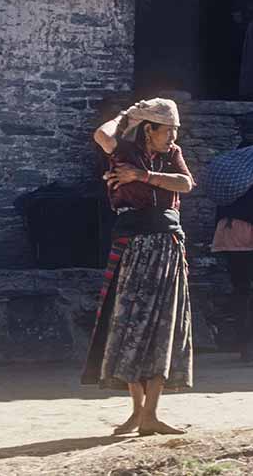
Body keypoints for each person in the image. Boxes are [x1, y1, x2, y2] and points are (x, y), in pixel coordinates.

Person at [81, 98, 195, 436]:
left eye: (175, 130)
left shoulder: (170, 157)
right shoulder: (126, 152)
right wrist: (126, 116)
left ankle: (151, 413)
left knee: (163, 325)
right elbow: (101, 135)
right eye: (168, 130)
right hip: (135, 248)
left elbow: (185, 184)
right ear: (150, 130)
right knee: (130, 324)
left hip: (168, 246)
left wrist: (143, 176)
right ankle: (136, 412)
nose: (173, 136)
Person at [207, 112, 253, 361]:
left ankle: (242, 342)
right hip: (248, 231)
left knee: (241, 287)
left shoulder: (227, 161)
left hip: (224, 231)